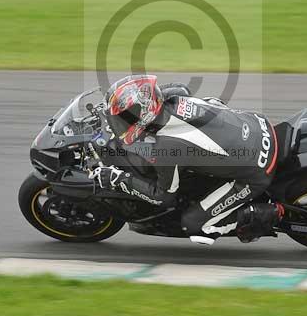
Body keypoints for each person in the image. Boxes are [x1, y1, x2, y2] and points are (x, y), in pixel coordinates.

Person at [89, 74, 283, 245]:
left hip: (255, 171)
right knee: (212, 103)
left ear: (144, 114)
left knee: (193, 224)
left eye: (124, 118)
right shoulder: (175, 94)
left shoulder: (167, 146)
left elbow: (162, 196)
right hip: (258, 124)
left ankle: (268, 214)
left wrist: (117, 178)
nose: (120, 123)